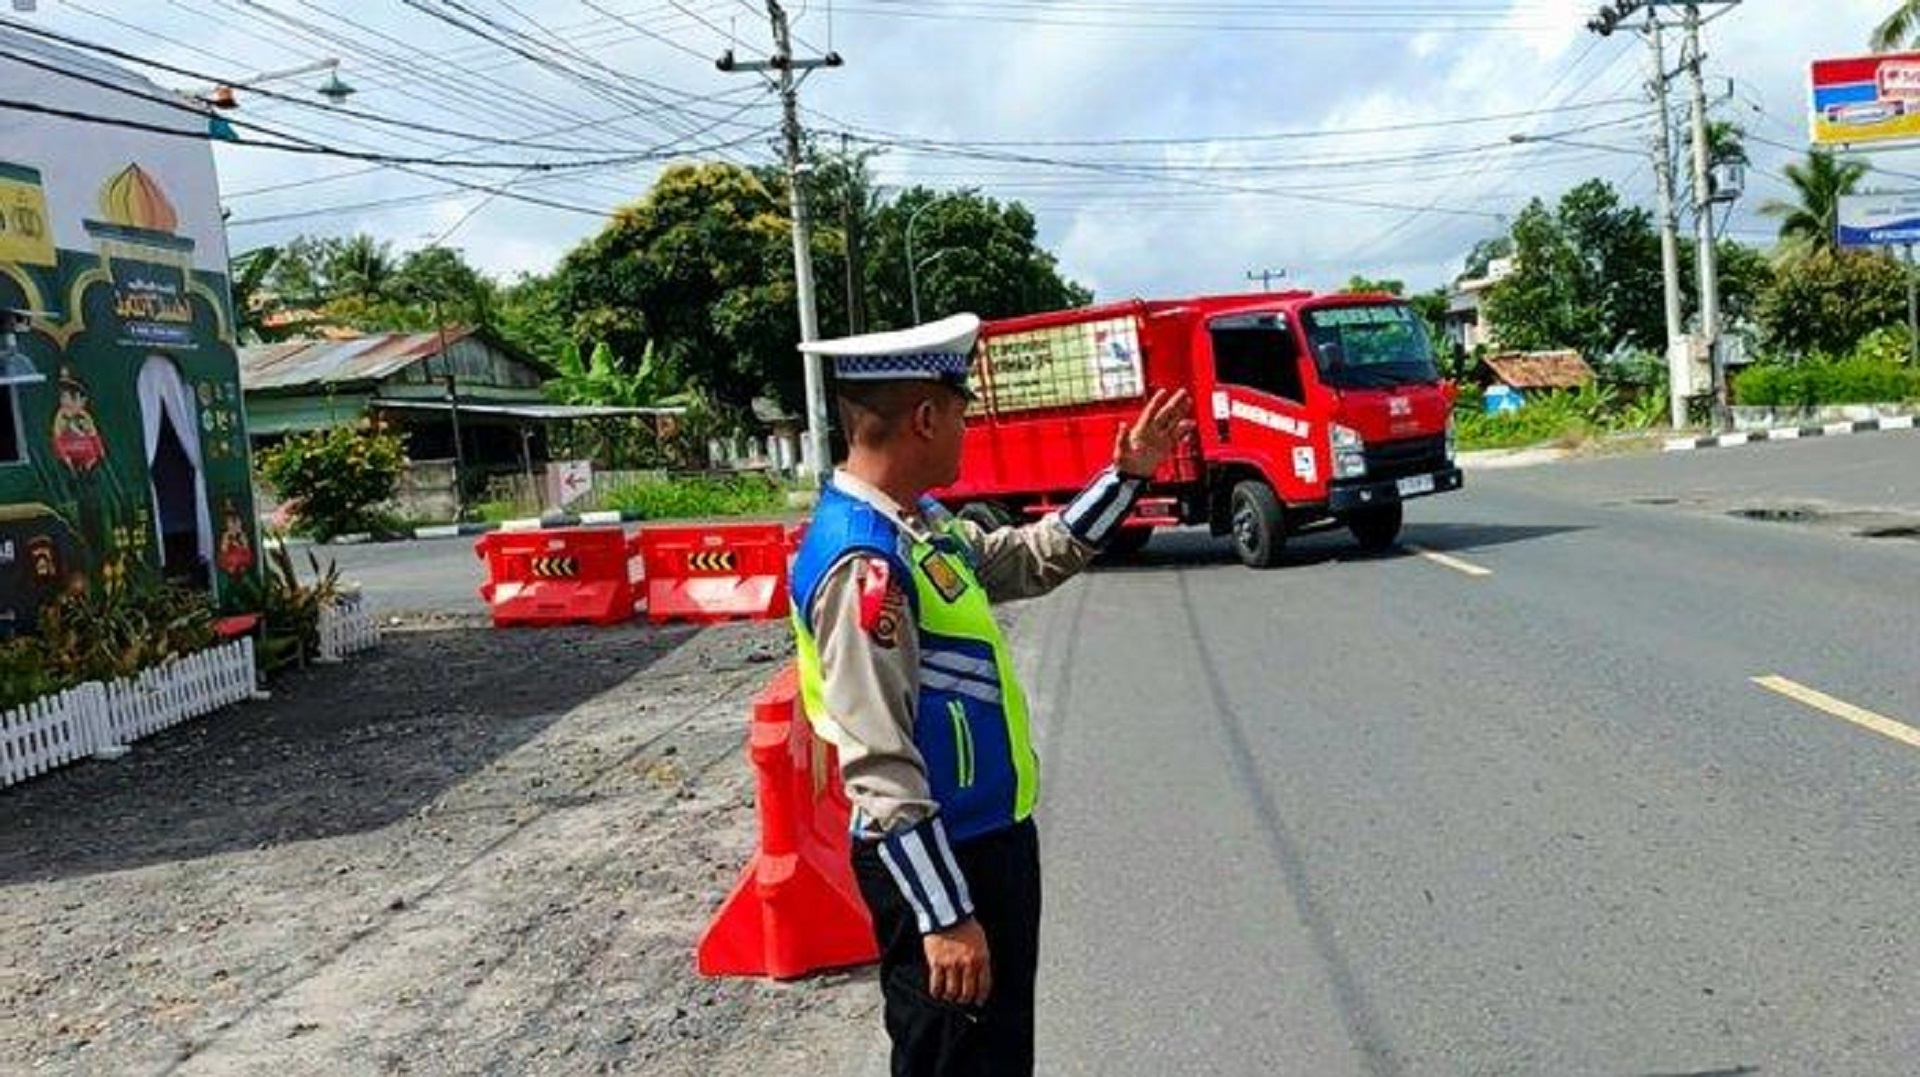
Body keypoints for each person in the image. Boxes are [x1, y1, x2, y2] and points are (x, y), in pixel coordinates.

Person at [790, 313, 1194, 1076]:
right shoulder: (860, 561)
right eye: (965, 411)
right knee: (954, 1063)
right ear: (926, 417)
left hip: (990, 843)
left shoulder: (920, 525)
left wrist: (1126, 478)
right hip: (943, 862)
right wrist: (944, 913)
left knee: (999, 1059)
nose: (969, 428)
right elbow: (879, 764)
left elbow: (1028, 558)